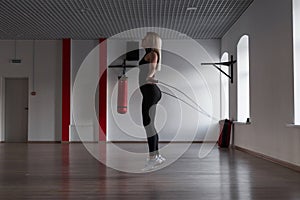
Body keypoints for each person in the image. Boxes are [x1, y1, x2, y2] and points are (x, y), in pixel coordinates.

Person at [139, 32, 166, 171]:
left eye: (145, 38)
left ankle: (153, 158)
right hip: (150, 93)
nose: (142, 39)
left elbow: (151, 71)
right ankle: (156, 156)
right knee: (149, 125)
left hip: (151, 92)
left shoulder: (153, 54)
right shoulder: (149, 53)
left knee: (148, 124)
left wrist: (149, 77)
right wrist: (149, 77)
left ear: (151, 41)